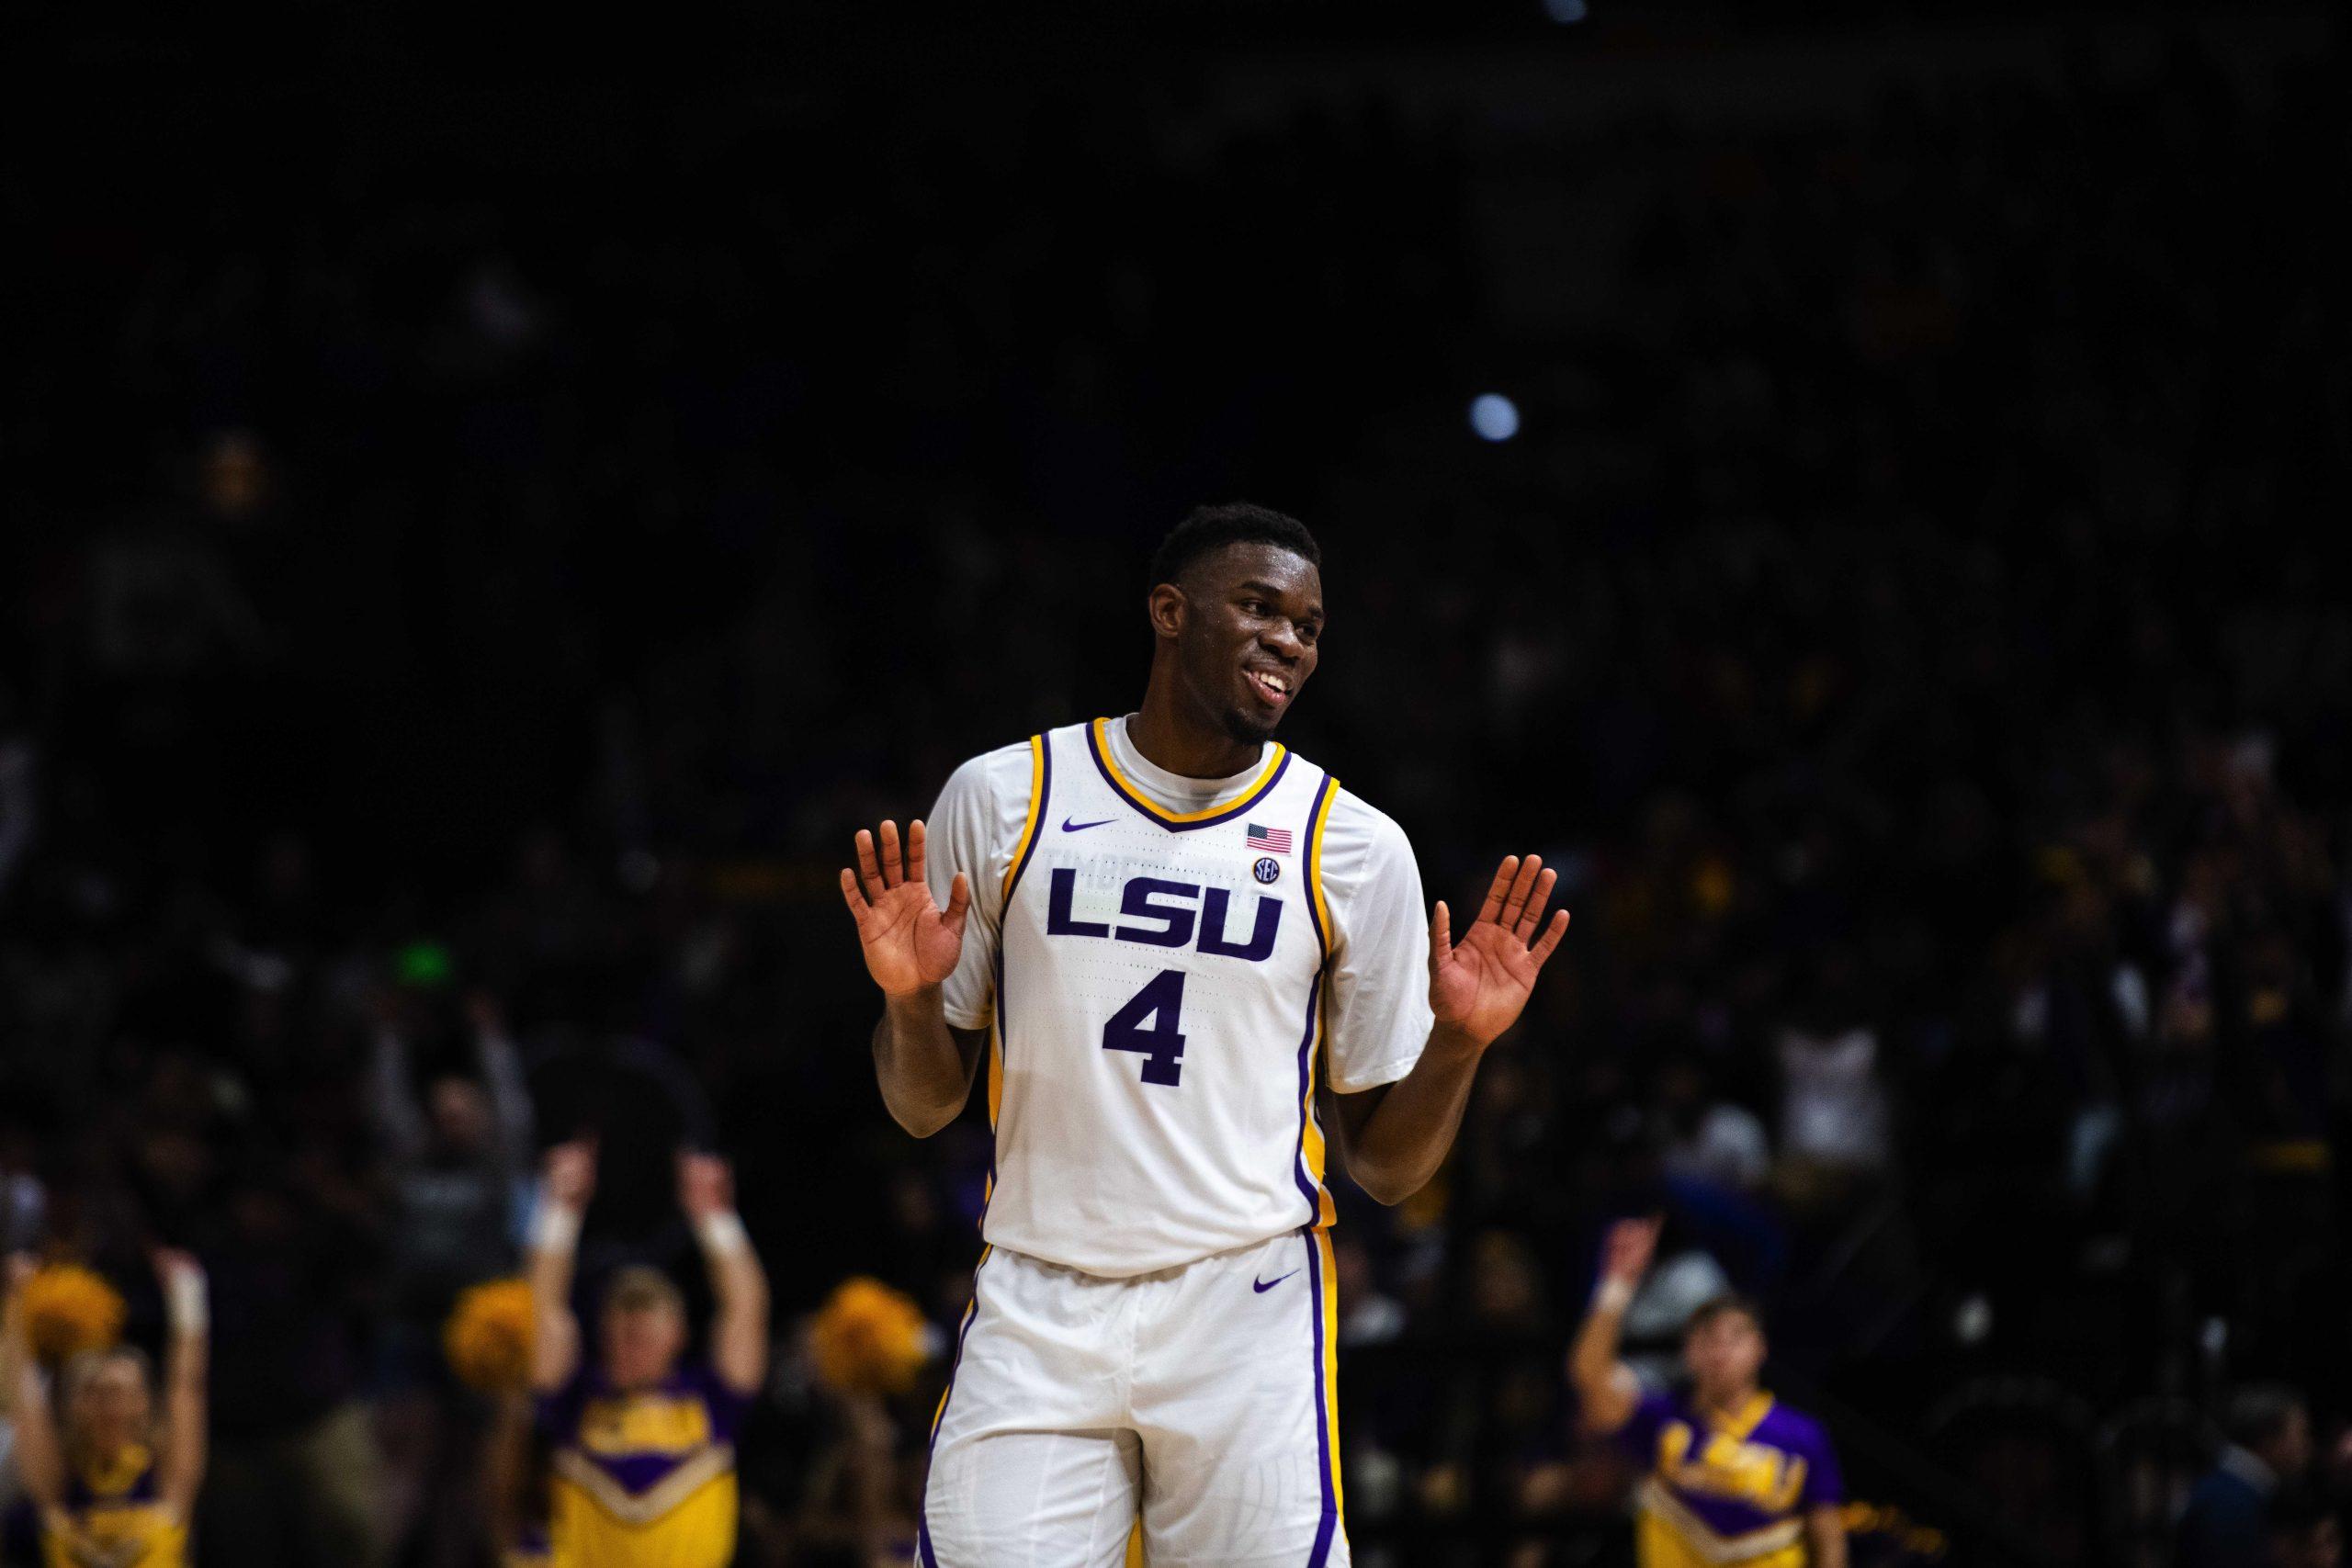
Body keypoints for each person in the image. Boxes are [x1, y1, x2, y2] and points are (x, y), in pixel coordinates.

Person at [840, 503, 1572, 1565]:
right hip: (1039, 1294)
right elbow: (921, 1106)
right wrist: (910, 999)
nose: (1290, 640)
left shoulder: (1358, 847)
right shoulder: (1004, 797)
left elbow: (1387, 1168)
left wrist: (1458, 1045)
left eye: (1310, 627)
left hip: (1248, 1301)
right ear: (1170, 612)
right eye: (1261, 607)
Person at [526, 1139, 769, 1568]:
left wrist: (716, 1218)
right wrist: (558, 1212)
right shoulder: (576, 1400)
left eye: (647, 1324)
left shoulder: (712, 1400)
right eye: (624, 1323)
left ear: (678, 1335)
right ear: (602, 1333)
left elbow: (745, 1311)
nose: (634, 1332)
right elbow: (543, 1313)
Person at [1568, 1218, 1846, 1568]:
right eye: (1707, 1338)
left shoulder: (1802, 1434)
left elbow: (1826, 1529)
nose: (1721, 1350)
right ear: (1688, 1352)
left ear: (1760, 1348)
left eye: (1735, 1338)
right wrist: (1616, 1285)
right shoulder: (1659, 1419)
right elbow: (1588, 1376)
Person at [2, 1249, 209, 1568]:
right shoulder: (58, 1484)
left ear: (144, 1403)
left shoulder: (165, 1481)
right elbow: (24, 1401)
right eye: (93, 1392)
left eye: (118, 1391)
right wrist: (17, 1302)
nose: (107, 1404)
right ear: (72, 1407)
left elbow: (187, 1387)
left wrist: (187, 1293)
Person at [2177, 1384, 2313, 1568]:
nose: (2307, 1447)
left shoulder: (2231, 1491)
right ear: (2268, 1438)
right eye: (2301, 1434)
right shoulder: (2230, 1502)